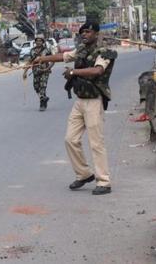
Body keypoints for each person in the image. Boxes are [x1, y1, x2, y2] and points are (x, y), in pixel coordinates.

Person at [33, 21, 117, 195]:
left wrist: (73, 72)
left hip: (94, 100)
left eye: (87, 32)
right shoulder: (81, 50)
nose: (84, 34)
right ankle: (84, 173)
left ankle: (104, 181)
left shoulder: (104, 52)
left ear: (96, 33)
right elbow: (64, 57)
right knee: (70, 139)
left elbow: (97, 71)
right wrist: (41, 58)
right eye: (82, 32)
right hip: (80, 101)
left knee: (96, 143)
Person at [23, 34, 54, 111]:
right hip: (35, 72)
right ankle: (44, 98)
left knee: (42, 86)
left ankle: (42, 104)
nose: (38, 42)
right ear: (35, 42)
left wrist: (48, 68)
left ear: (43, 42)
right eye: (37, 41)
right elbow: (29, 62)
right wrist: (25, 72)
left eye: (40, 41)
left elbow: (53, 60)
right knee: (36, 87)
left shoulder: (47, 50)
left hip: (44, 71)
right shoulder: (32, 51)